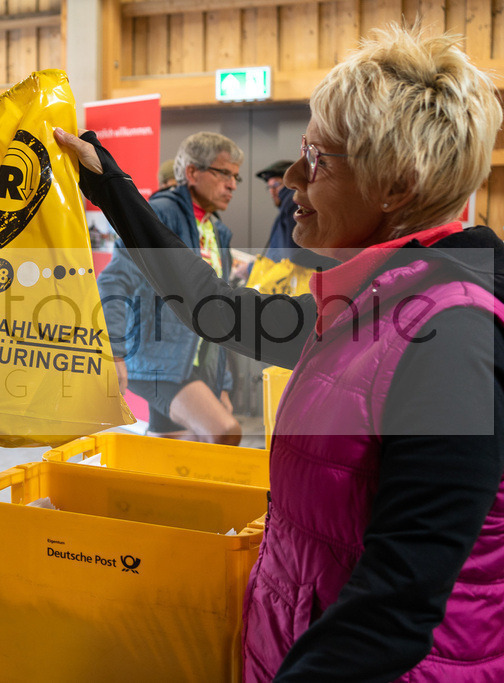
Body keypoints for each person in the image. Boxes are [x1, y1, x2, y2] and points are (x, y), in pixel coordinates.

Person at [57, 23, 504, 682]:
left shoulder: (451, 339)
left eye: (317, 159)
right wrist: (111, 187)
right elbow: (212, 306)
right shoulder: (360, 304)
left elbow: (395, 606)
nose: (291, 178)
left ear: (398, 186)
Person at [97, 132, 242, 444]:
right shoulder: (161, 214)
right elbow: (114, 279)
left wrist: (224, 381)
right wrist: (114, 352)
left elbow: (218, 312)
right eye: (223, 173)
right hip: (158, 361)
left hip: (194, 362)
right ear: (192, 172)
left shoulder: (217, 230)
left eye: (235, 177)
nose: (232, 185)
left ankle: (139, 475)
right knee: (224, 431)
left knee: (174, 444)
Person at [246, 159, 337, 294]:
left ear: (291, 183)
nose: (272, 192)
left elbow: (296, 253)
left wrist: (337, 263)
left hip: (293, 288)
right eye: (269, 187)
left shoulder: (292, 203)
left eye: (276, 185)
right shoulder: (285, 211)